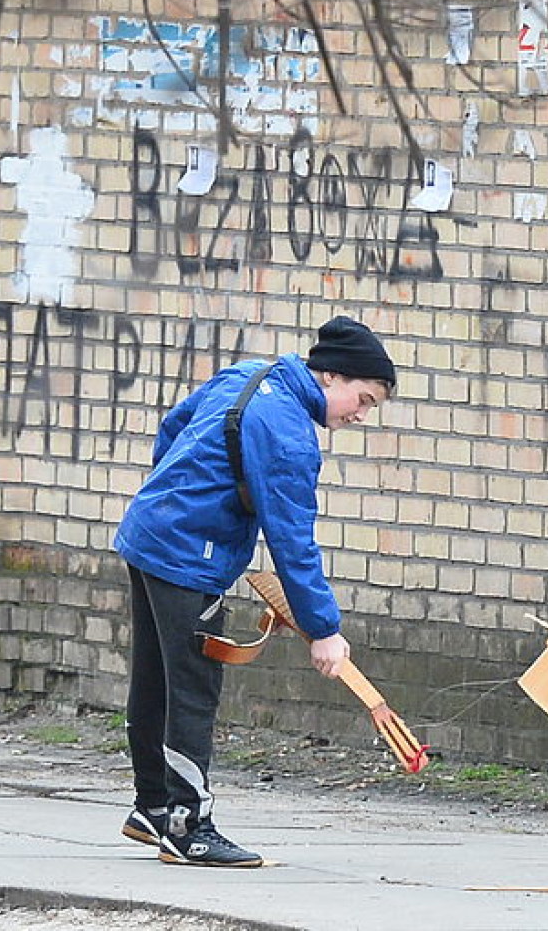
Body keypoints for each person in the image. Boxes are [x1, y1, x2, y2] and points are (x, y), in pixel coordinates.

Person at [113, 315, 397, 867]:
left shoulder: (249, 374)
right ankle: (187, 826)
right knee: (192, 691)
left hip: (149, 534)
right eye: (362, 400)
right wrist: (324, 629)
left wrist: (172, 496)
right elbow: (292, 539)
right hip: (188, 558)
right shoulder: (288, 433)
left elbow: (174, 426)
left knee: (155, 679)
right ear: (331, 377)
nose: (360, 415)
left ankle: (152, 805)